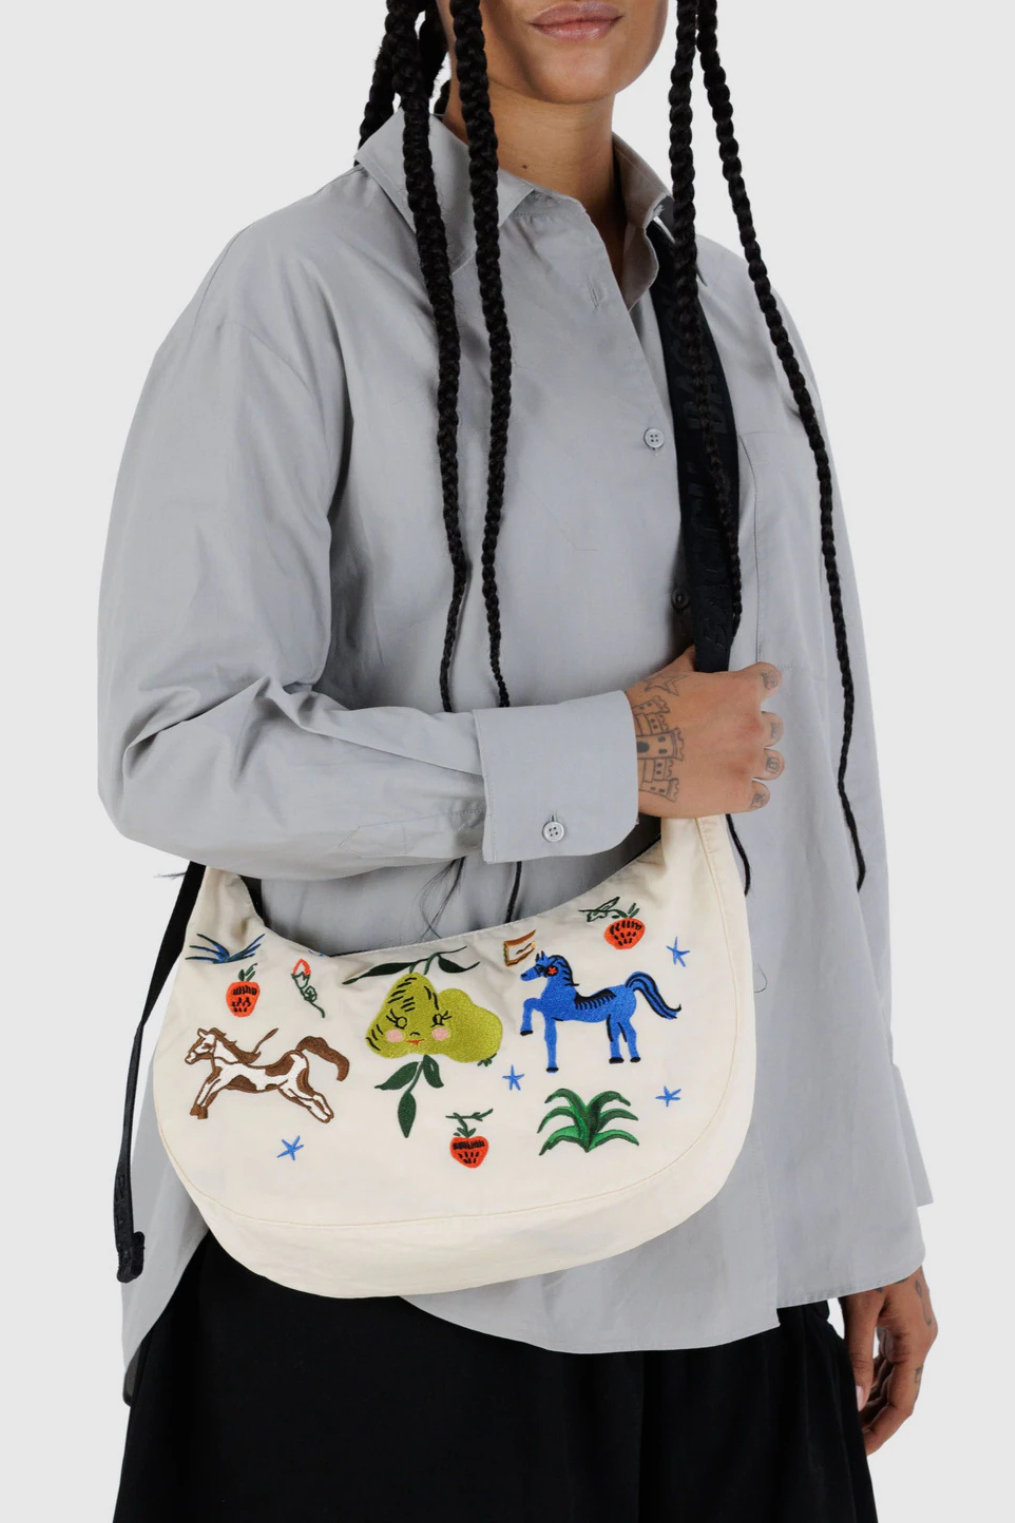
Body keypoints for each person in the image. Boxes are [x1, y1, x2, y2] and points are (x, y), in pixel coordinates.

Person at [97, 2, 936, 1518]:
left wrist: (863, 1196)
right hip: (388, 1260)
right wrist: (615, 756)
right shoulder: (300, 290)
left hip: (733, 1257)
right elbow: (177, 749)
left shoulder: (733, 316)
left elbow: (814, 789)